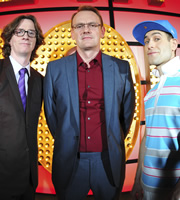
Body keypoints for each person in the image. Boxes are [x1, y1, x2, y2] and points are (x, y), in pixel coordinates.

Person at [44, 5, 135, 200]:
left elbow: (126, 115)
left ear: (102, 31)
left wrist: (113, 138)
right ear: (72, 33)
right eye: (79, 26)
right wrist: (66, 137)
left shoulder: (121, 68)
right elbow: (51, 115)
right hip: (70, 160)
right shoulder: (54, 69)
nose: (86, 29)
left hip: (108, 161)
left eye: (92, 24)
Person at [131, 20, 180, 200]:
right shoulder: (151, 92)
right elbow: (147, 137)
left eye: (157, 38)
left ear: (173, 44)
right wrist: (137, 180)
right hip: (147, 188)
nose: (150, 44)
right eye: (146, 40)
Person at [0, 15, 44, 200]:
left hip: (29, 178)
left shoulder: (40, 81)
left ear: (36, 41)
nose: (26, 36)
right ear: (10, 38)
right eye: (20, 31)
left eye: (31, 32)